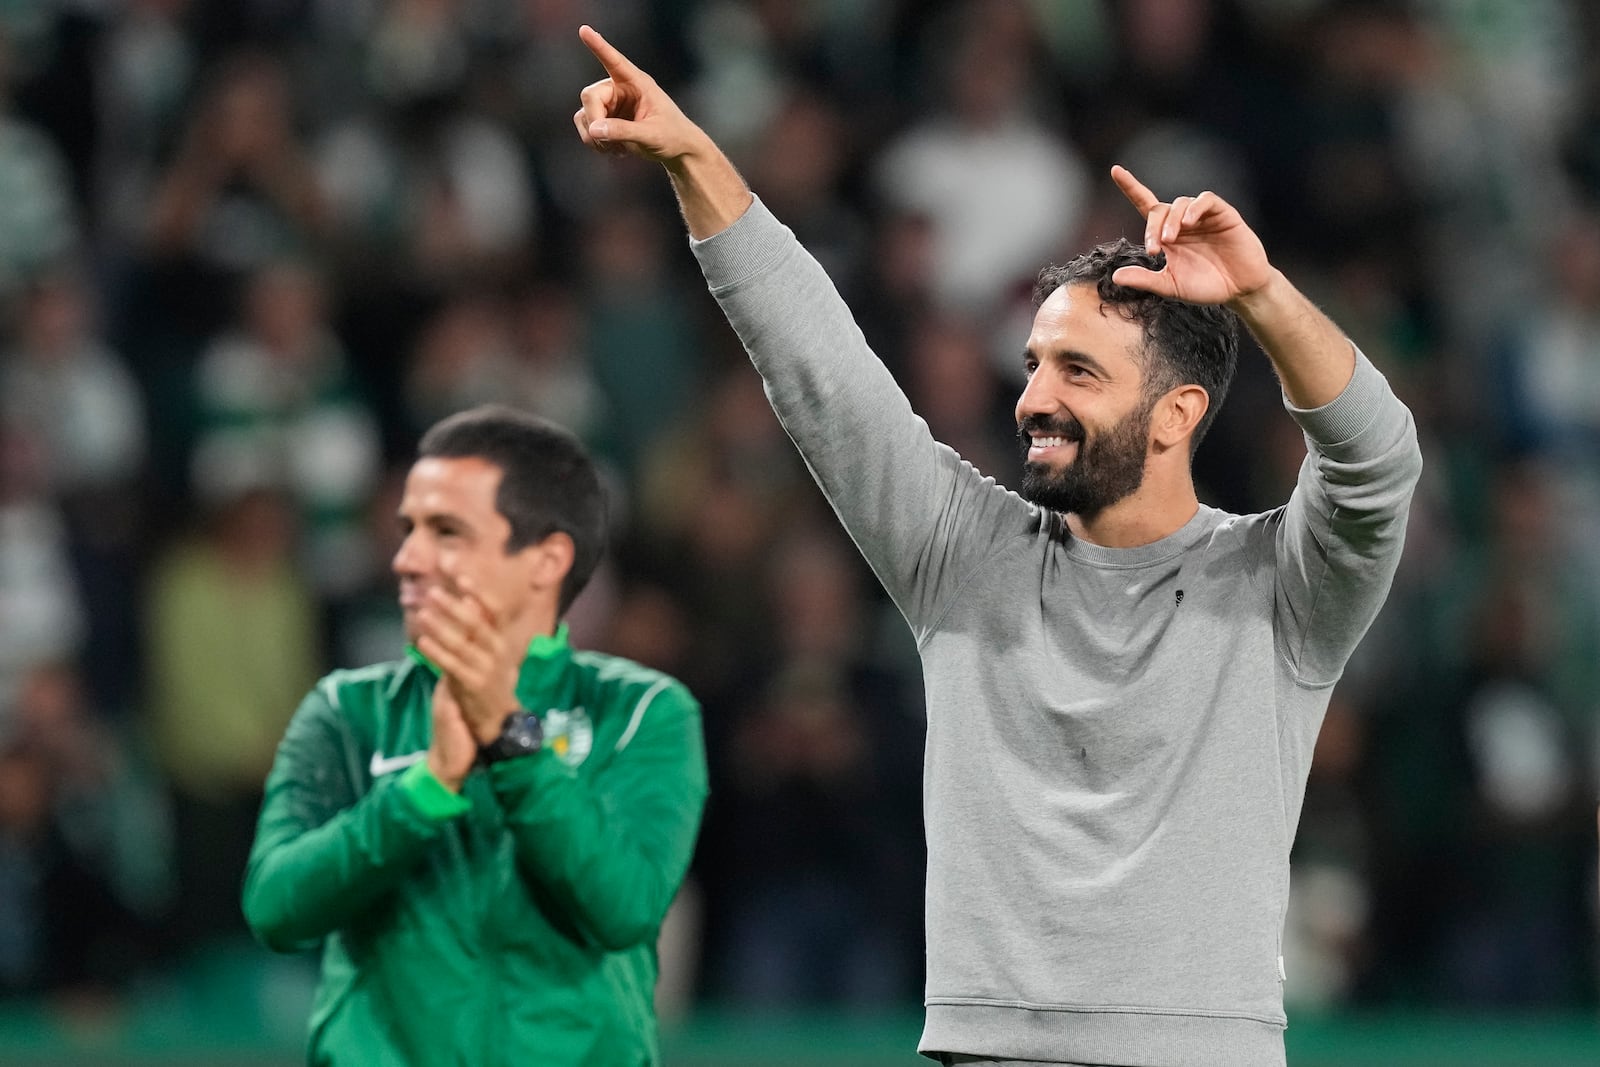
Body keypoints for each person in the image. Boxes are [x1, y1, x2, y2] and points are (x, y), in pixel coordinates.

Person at [572, 25, 1422, 1067]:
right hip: (981, 1049)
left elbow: (1376, 462)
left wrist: (1260, 294)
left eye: (1077, 371)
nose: (1032, 398)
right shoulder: (963, 554)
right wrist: (695, 160)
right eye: (1032, 363)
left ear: (1176, 414)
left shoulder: (1282, 588)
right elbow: (821, 375)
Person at [242, 405, 708, 1066]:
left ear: (545, 561)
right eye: (407, 530)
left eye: (447, 532)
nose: (406, 558)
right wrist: (422, 792)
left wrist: (512, 742)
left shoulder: (639, 711)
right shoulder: (347, 709)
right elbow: (275, 907)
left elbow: (623, 906)